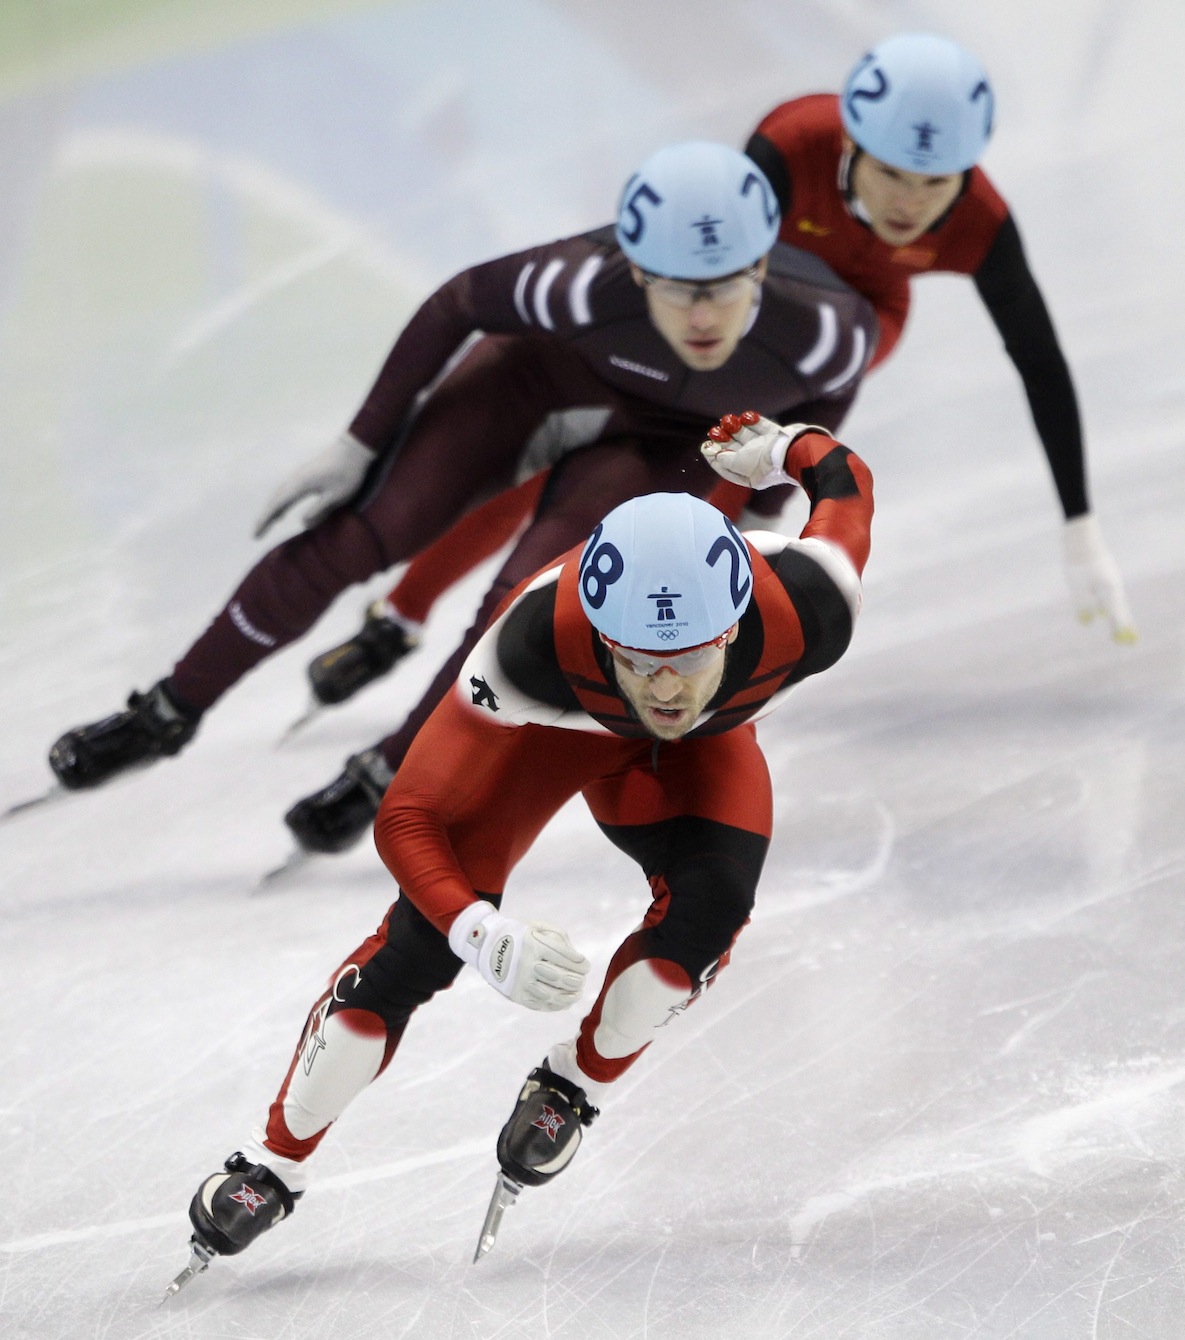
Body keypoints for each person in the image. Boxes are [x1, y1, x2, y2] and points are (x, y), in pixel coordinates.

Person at [165, 415, 875, 1288]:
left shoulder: (811, 604)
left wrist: (776, 445)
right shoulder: (531, 644)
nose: (662, 686)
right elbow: (408, 817)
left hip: (692, 759)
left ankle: (573, 1087)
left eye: (685, 656)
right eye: (635, 656)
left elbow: (840, 479)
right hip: (550, 734)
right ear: (599, 634)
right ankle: (270, 1162)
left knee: (710, 913)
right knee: (419, 943)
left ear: (732, 627)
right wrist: (474, 930)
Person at [46, 141, 876, 841]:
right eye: (672, 288)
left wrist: (758, 520)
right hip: (536, 381)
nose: (701, 317)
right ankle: (168, 708)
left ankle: (391, 765)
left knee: (524, 602)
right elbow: (456, 305)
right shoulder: (582, 284)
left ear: (761, 266)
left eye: (722, 287)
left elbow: (801, 434)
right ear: (633, 270)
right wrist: (358, 441)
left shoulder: (830, 334)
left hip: (661, 446)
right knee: (365, 531)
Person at [301, 29, 1134, 722]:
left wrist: (1078, 519)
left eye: (935, 184)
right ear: (848, 145)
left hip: (854, 322)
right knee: (553, 455)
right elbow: (719, 255)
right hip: (743, 309)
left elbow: (1038, 361)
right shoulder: (791, 141)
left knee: (702, 475)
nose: (909, 204)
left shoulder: (980, 221)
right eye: (889, 171)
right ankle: (402, 613)